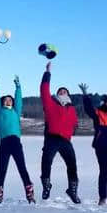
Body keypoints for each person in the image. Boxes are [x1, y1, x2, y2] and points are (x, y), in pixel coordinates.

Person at [0, 75, 35, 204]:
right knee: (2, 169)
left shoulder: (16, 111)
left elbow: (19, 100)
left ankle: (29, 190)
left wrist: (18, 87)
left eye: (10, 100)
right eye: (6, 100)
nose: (8, 101)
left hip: (15, 142)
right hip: (4, 143)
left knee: (22, 167)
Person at [40, 61, 81, 204]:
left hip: (65, 141)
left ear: (68, 95)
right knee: (46, 162)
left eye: (65, 92)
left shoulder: (72, 109)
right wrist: (47, 72)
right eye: (60, 92)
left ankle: (72, 190)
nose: (62, 93)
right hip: (52, 138)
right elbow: (44, 89)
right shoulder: (50, 103)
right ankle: (46, 186)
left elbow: (75, 123)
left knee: (72, 164)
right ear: (57, 95)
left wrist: (71, 131)